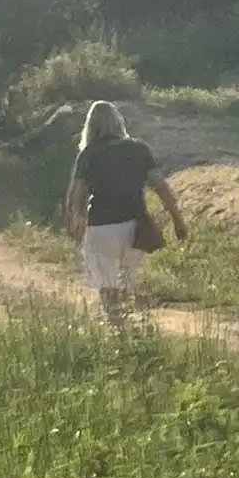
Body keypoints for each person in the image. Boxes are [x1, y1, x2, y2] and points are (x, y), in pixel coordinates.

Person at [67, 100, 187, 324]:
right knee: (128, 281)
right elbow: (160, 187)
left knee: (107, 286)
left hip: (101, 227)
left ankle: (117, 330)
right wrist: (177, 220)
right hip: (134, 226)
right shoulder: (138, 149)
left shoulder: (89, 154)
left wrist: (76, 220)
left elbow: (78, 194)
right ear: (119, 122)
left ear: (90, 127)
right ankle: (134, 328)